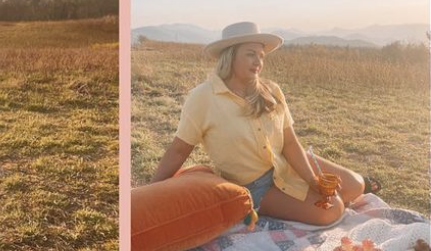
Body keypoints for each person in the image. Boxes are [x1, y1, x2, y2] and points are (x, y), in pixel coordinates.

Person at [149, 21, 367, 224]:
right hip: (255, 185)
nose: (258, 62)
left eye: (261, 56)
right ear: (230, 56)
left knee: (356, 186)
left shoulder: (271, 90)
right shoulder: (203, 97)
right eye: (251, 54)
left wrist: (312, 180)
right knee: (332, 209)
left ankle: (305, 194)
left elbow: (290, 142)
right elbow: (178, 150)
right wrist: (150, 192)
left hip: (285, 163)